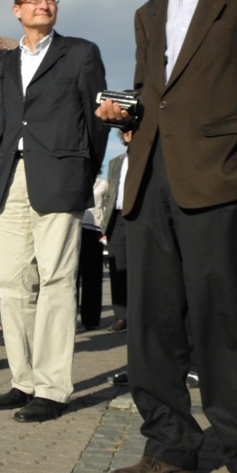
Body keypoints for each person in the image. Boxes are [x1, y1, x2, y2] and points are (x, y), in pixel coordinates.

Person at [97, 0, 237, 473]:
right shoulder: (148, 11)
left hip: (221, 176)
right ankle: (171, 446)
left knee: (229, 324)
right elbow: (151, 94)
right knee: (152, 326)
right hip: (150, 180)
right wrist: (122, 109)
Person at [0, 0, 108, 422]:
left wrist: (82, 171)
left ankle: (53, 389)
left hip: (60, 174)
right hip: (10, 178)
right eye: (34, 0)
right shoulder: (3, 64)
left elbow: (96, 121)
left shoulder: (80, 53)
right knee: (11, 284)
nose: (44, 5)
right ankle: (24, 381)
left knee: (56, 280)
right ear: (16, 10)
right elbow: (7, 125)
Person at [100, 130, 131, 333]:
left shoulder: (146, 159)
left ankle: (140, 314)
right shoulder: (115, 162)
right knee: (117, 268)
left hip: (138, 216)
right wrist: (105, 226)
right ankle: (121, 316)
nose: (128, 134)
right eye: (125, 131)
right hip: (117, 219)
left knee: (140, 268)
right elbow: (109, 195)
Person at [78, 175, 109, 331]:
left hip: (95, 231)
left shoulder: (103, 183)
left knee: (93, 277)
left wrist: (105, 232)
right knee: (71, 277)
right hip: (76, 228)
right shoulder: (76, 180)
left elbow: (106, 208)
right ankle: (68, 319)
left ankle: (91, 320)